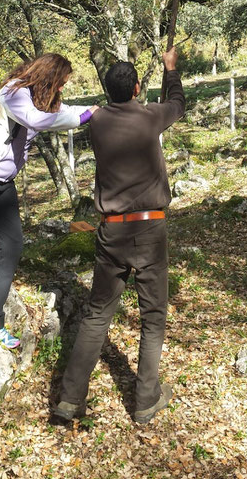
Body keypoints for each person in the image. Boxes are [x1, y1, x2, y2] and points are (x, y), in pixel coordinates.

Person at [55, 47, 185, 425]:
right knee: (154, 315)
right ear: (137, 88)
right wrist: (171, 68)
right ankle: (146, 399)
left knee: (97, 314)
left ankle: (70, 398)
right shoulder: (150, 115)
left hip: (111, 229)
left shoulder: (96, 120)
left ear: (107, 90)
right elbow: (177, 103)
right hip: (149, 227)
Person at [0, 54, 96, 347]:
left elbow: (61, 110)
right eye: (61, 82)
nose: (62, 89)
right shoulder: (15, 92)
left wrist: (93, 109)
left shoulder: (38, 97)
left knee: (11, 247)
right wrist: (83, 117)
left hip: (3, 183)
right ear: (49, 77)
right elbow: (37, 120)